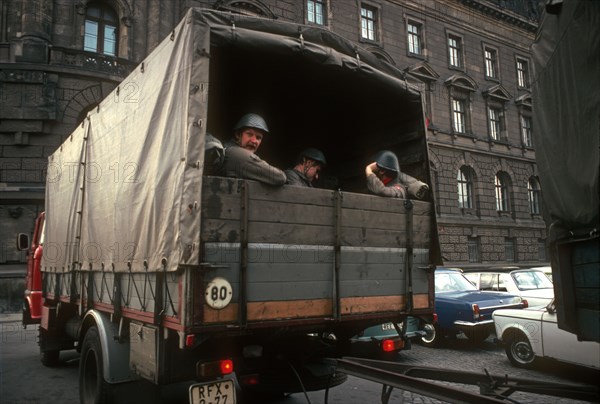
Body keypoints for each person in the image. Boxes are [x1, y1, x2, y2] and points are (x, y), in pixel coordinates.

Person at [219, 113, 286, 186]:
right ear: (238, 135)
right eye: (249, 134)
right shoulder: (236, 154)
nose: (254, 141)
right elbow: (280, 177)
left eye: (258, 137)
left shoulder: (229, 148)